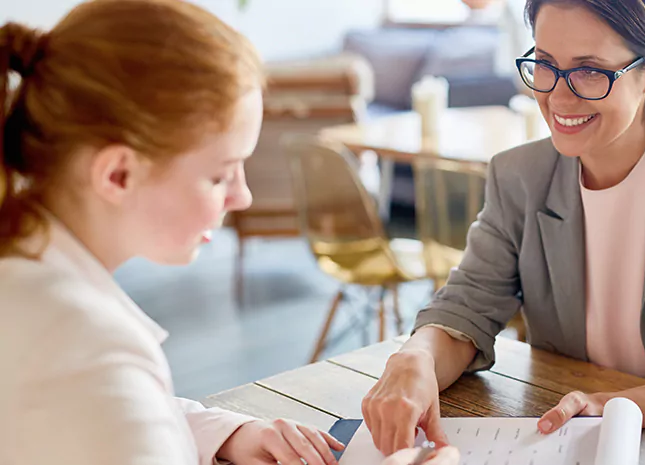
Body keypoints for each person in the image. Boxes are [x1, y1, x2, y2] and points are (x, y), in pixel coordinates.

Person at [0, 1, 457, 464]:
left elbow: (110, 419)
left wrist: (223, 432)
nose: (243, 197)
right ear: (118, 174)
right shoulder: (87, 354)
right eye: (221, 175)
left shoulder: (28, 278)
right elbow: (105, 400)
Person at [362, 0, 645, 455]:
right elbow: (465, 308)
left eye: (590, 70)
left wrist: (618, 407)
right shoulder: (520, 176)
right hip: (583, 436)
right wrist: (416, 357)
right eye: (545, 64)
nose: (557, 97)